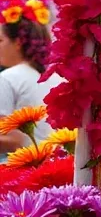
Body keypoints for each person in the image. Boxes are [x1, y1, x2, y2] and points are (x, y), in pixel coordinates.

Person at [0, 14, 58, 155]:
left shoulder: (7, 78)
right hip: (57, 160)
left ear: (18, 42)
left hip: (24, 164)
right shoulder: (56, 76)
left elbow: (14, 141)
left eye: (0, 40)